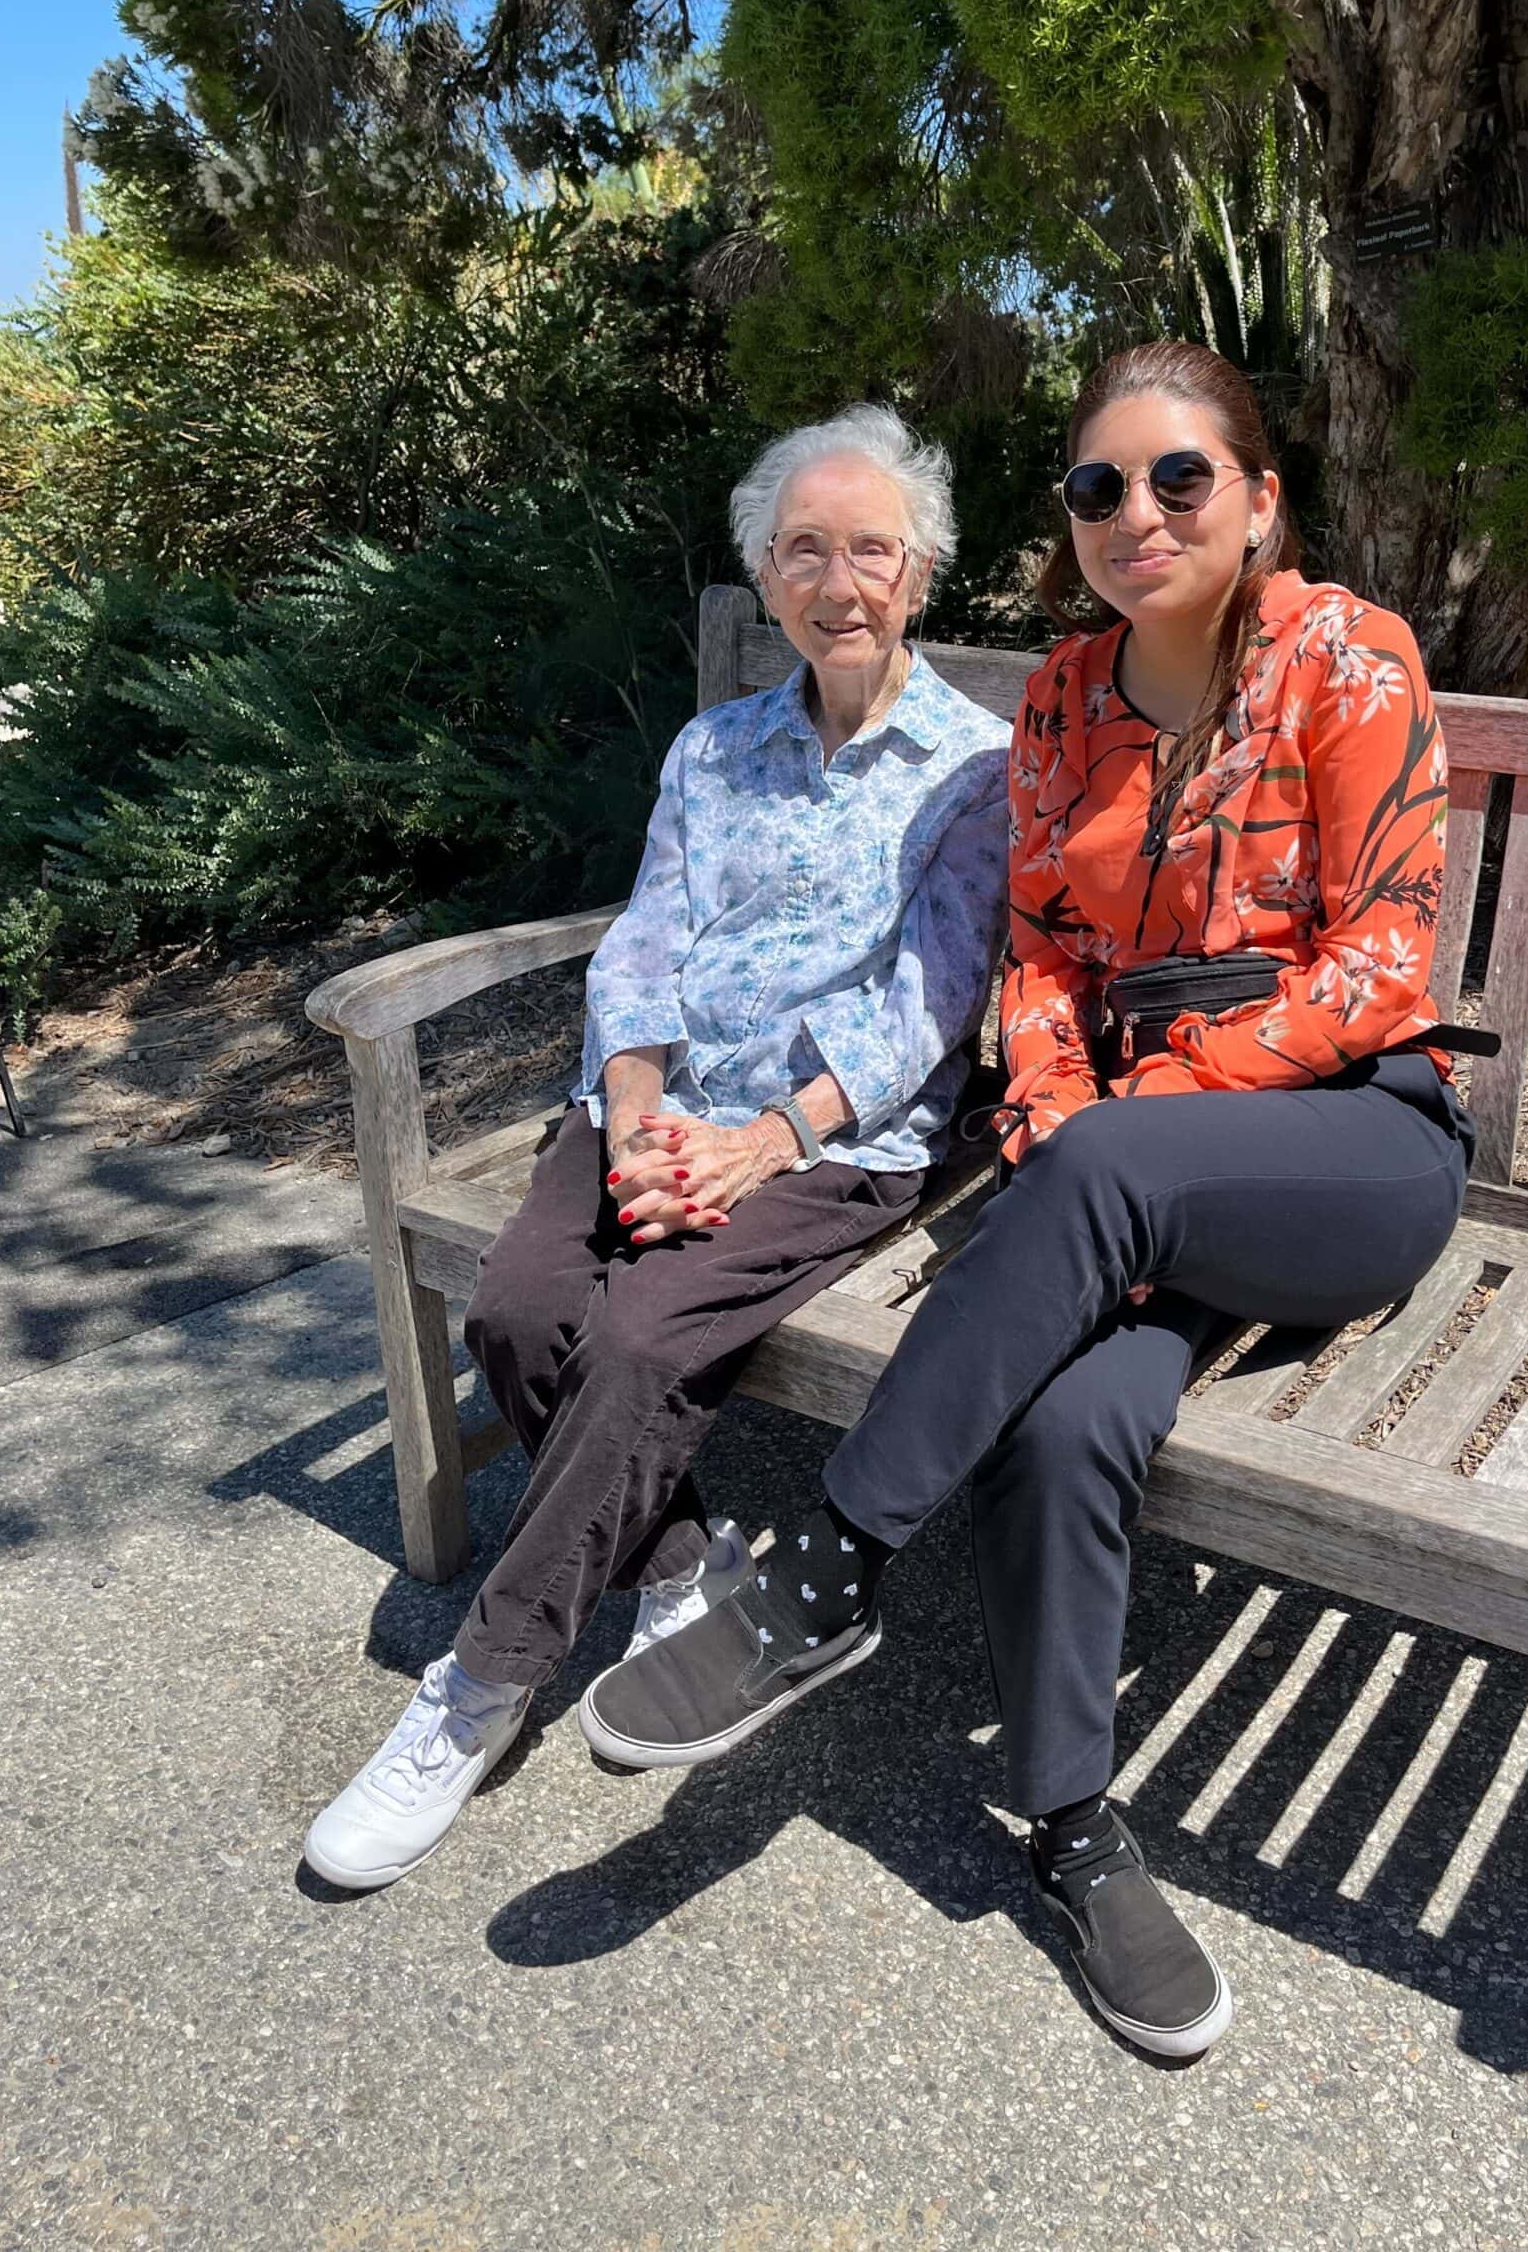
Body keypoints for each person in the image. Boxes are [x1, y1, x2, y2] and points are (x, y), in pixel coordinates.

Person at [583, 342, 1476, 2060]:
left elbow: (1382, 964)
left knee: (1105, 1169)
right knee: (1069, 1430)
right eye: (1097, 488)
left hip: (1351, 1148)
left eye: (1179, 480)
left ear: (1260, 499)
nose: (1136, 514)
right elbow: (1046, 963)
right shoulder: (1063, 703)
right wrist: (1073, 1110)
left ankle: (828, 1569)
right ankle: (1076, 1830)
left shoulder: (1347, 661)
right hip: (1128, 1173)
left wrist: (1119, 1124)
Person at [303, 404, 1011, 1891]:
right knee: (514, 1307)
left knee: (630, 1338)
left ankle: (482, 1683)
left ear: (922, 574)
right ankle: (684, 1567)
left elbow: (937, 1001)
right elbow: (643, 946)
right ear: (765, 573)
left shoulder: (978, 769)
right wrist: (633, 1117)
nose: (838, 579)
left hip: (838, 1139)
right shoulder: (713, 749)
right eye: (803, 548)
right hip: (654, 1104)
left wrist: (761, 1143)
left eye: (869, 549)